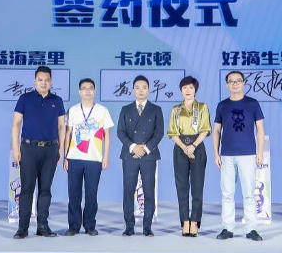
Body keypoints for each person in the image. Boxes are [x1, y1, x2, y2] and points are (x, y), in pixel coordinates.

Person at [11, 66, 66, 239]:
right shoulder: (25, 99)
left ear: (51, 82)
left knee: (45, 190)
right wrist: (16, 148)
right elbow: (16, 124)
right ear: (34, 81)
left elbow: (61, 126)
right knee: (27, 190)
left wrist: (60, 150)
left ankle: (42, 226)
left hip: (50, 150)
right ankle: (23, 228)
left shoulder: (57, 101)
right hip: (29, 149)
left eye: (47, 80)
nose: (43, 83)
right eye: (40, 80)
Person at [213, 70, 266, 242]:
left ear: (244, 83)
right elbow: (216, 131)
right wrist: (216, 153)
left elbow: (260, 129)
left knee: (249, 194)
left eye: (238, 81)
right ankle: (227, 228)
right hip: (227, 155)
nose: (235, 84)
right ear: (227, 85)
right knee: (227, 193)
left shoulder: (253, 104)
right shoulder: (222, 106)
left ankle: (251, 229)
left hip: (248, 154)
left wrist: (260, 152)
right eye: (231, 81)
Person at [62, 78, 114, 236]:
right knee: (74, 194)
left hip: (94, 159)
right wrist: (65, 157)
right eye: (84, 88)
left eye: (90, 88)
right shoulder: (73, 110)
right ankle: (74, 226)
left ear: (94, 91)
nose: (87, 91)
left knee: (91, 194)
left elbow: (106, 135)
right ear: (79, 92)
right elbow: (68, 134)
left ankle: (90, 225)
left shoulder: (102, 111)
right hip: (74, 158)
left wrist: (106, 156)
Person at [117, 75, 165, 237]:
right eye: (137, 87)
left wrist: (145, 148)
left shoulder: (156, 109)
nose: (141, 90)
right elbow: (120, 132)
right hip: (129, 155)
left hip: (148, 155)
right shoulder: (125, 109)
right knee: (128, 191)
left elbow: (159, 133)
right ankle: (129, 227)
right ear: (133, 90)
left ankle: (147, 227)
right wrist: (133, 147)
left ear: (149, 90)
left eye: (144, 87)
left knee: (149, 192)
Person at [167, 76, 211, 237]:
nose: (187, 90)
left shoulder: (202, 107)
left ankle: (195, 221)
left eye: (190, 87)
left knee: (197, 186)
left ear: (195, 90)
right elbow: (172, 132)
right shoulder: (176, 109)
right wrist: (185, 147)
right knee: (182, 186)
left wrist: (193, 146)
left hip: (197, 147)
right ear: (181, 91)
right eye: (184, 88)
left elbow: (205, 129)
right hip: (180, 148)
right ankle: (185, 221)